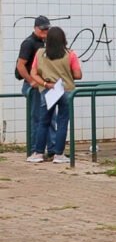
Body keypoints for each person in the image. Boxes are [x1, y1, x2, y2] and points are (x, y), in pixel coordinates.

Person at [26, 26, 82, 163]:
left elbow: (33, 74)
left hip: (48, 91)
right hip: (65, 90)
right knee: (62, 122)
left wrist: (45, 84)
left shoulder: (40, 53)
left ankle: (38, 153)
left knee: (43, 122)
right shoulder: (71, 54)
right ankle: (58, 155)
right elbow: (78, 75)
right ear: (63, 39)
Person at [16, 15, 51, 157]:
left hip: (42, 85)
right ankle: (35, 150)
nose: (45, 31)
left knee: (46, 117)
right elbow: (20, 65)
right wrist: (31, 81)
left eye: (47, 29)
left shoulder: (44, 42)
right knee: (36, 117)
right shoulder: (29, 43)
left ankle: (45, 149)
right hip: (33, 86)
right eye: (43, 29)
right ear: (35, 28)